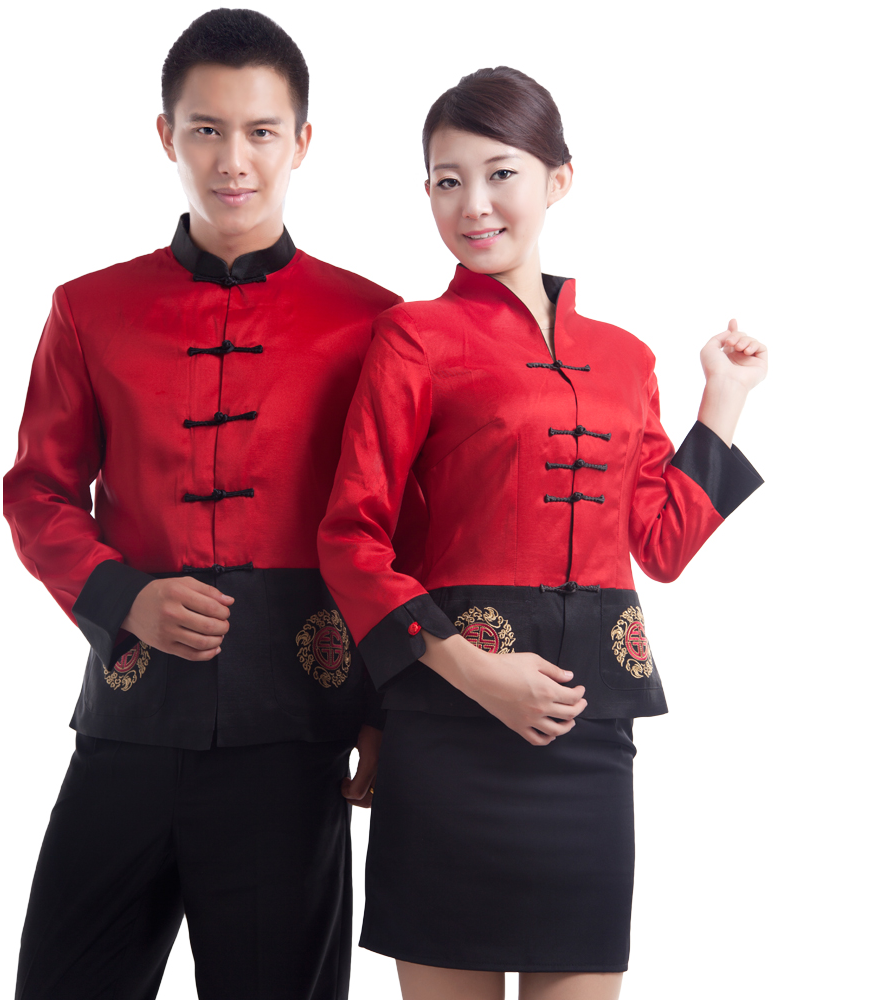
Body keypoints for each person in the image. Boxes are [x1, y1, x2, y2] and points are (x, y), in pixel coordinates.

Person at [317, 67, 767, 1000]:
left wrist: (722, 401)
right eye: (447, 181)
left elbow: (662, 544)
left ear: (559, 179)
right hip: (447, 725)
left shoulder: (626, 357)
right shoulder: (413, 338)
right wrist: (476, 671)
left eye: (500, 174)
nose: (473, 205)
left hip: (588, 732)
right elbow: (351, 538)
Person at [3, 9, 401, 999]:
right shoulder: (88, 309)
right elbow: (39, 491)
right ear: (166, 135)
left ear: (301, 142)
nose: (234, 160)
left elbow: (400, 529)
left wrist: (384, 707)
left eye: (261, 131)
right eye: (207, 129)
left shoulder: (373, 323)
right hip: (130, 719)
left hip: (296, 727)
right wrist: (123, 594)